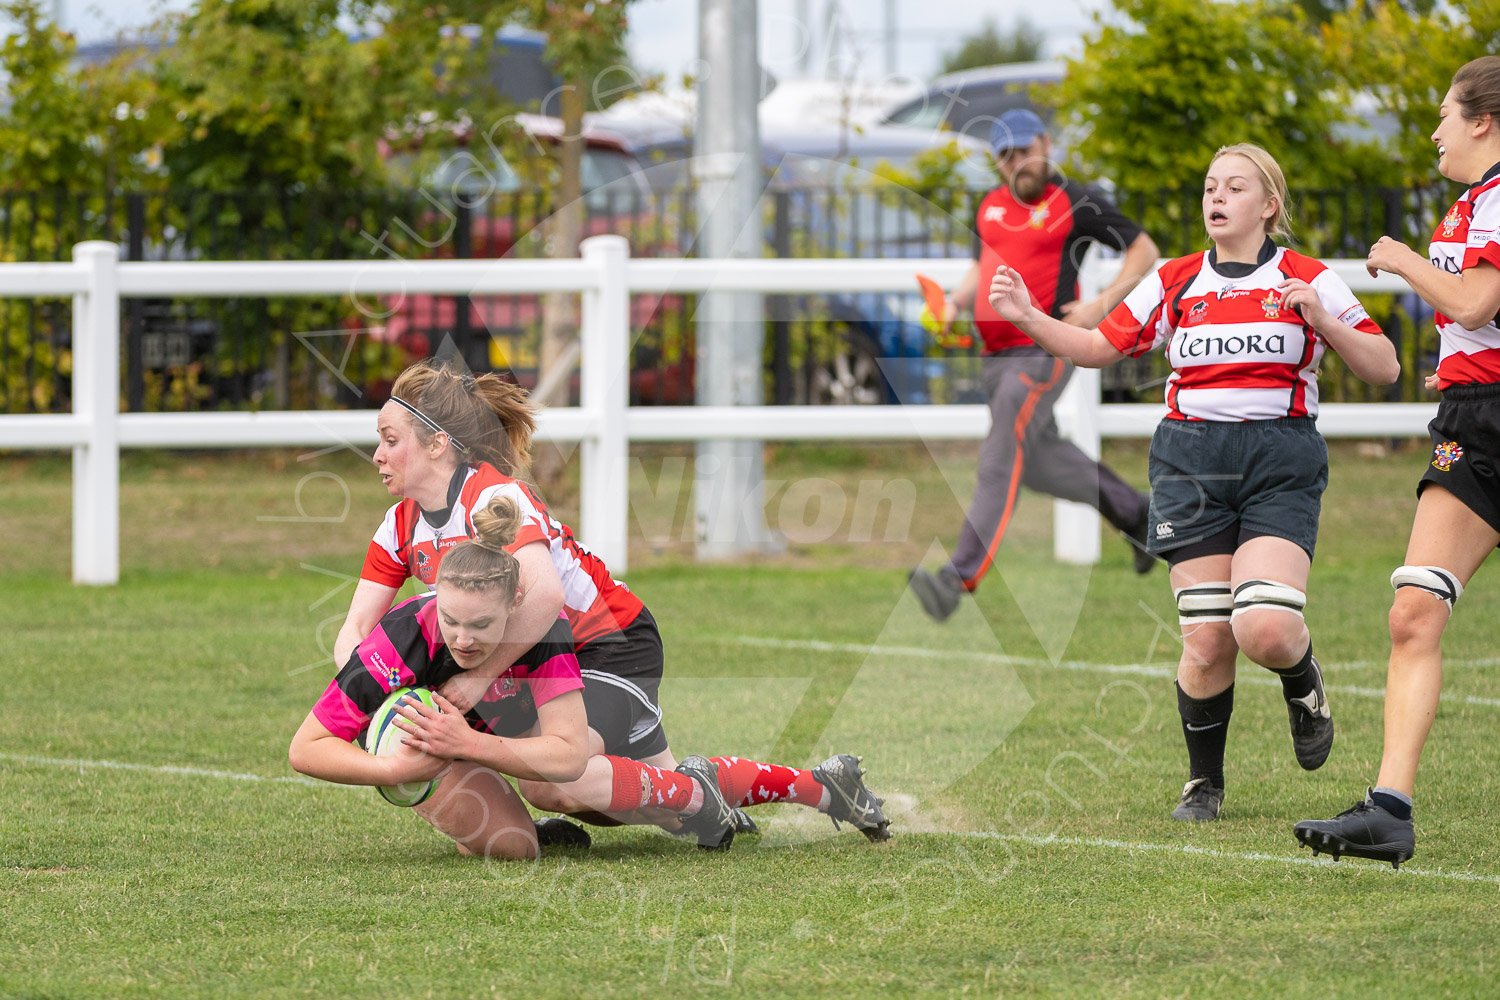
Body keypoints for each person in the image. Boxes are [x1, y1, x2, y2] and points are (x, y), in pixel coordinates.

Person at [987, 143, 1399, 822]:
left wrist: (1322, 318)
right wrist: (1030, 317)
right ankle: (1203, 785)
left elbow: (1383, 365)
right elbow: (1097, 349)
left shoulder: (1307, 276)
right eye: (1210, 185)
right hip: (1190, 462)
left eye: (1235, 187)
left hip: (1279, 462)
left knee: (1264, 626)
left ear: (1268, 206)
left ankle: (1303, 680)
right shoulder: (1176, 280)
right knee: (1207, 639)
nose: (1217, 197)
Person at [334, 360, 892, 848]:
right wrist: (369, 699)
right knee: (646, 790)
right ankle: (823, 785)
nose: (378, 455)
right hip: (540, 664)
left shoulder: (492, 498)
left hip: (605, 645)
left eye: (389, 438)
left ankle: (693, 799)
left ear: (436, 444)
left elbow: (547, 599)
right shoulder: (400, 523)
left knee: (554, 781)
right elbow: (358, 626)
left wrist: (475, 686)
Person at [1294, 57, 1500, 868]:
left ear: (1484, 120)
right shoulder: (1467, 207)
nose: (1435, 128)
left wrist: (1398, 258)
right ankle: (1389, 810)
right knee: (1413, 612)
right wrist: (1457, 367)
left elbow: (1476, 300)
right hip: (1473, 424)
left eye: (1446, 113)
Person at [290, 495, 736, 858]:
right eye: (450, 620)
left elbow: (568, 756)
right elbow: (306, 748)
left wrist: (467, 743)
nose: (463, 639)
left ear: (515, 604)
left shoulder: (545, 628)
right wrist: (391, 769)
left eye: (481, 625)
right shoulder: (400, 640)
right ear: (435, 598)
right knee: (514, 847)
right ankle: (532, 829)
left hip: (502, 729)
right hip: (446, 746)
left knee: (568, 791)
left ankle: (693, 794)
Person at [908, 108, 1163, 624]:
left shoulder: (1075, 200)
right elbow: (985, 268)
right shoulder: (990, 208)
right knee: (1041, 462)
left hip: (1041, 353)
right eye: (1006, 155)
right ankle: (1138, 513)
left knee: (999, 458)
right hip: (994, 360)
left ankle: (957, 580)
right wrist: (955, 303)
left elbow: (1144, 249)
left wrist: (1099, 305)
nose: (1017, 162)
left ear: (1046, 144)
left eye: (1025, 150)